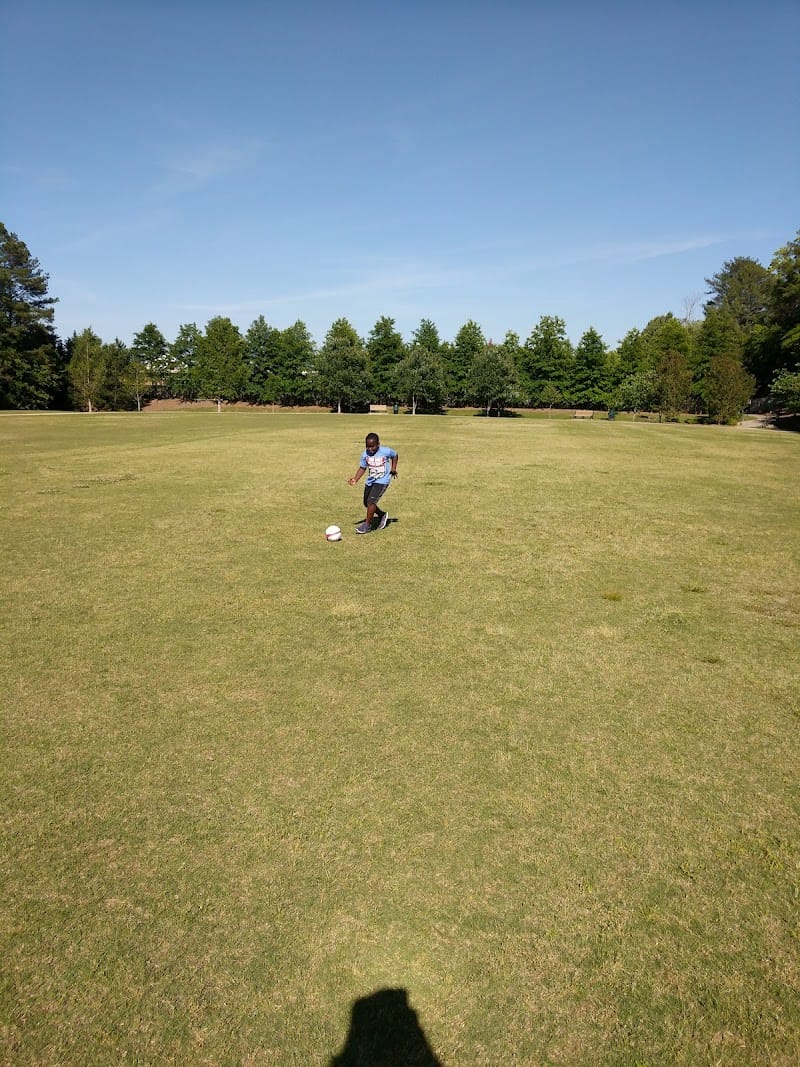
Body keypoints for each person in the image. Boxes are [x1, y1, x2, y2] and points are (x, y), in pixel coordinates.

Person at [347, 432, 398, 534]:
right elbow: (362, 467)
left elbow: (395, 455)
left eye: (372, 446)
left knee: (371, 502)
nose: (370, 449)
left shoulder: (385, 451)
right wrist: (355, 479)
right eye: (368, 446)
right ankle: (382, 515)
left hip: (383, 481)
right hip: (371, 480)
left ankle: (367, 525)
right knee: (366, 502)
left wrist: (393, 468)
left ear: (378, 444)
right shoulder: (365, 454)